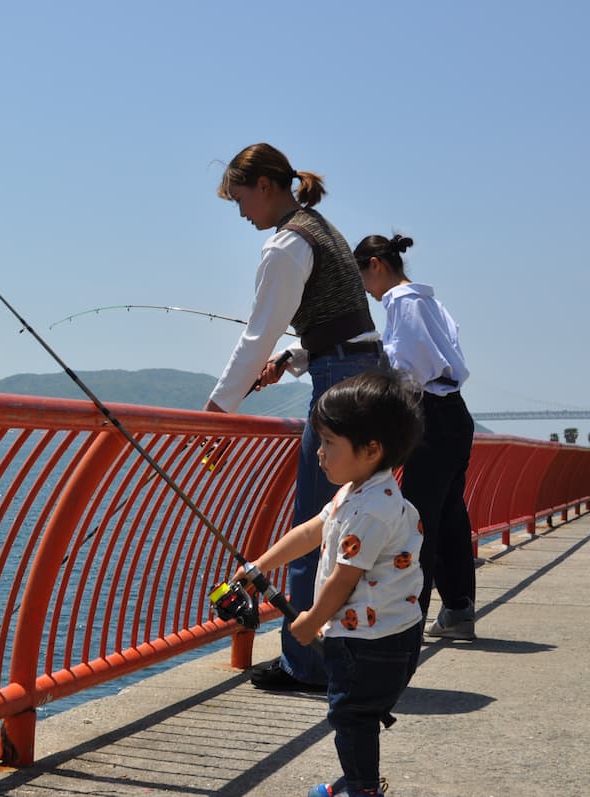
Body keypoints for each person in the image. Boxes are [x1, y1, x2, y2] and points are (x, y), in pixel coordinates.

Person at [207, 143, 385, 691]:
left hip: (339, 384)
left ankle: (303, 664)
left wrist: (217, 413)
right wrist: (296, 358)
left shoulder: (285, 245)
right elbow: (345, 323)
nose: (242, 214)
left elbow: (256, 334)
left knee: (314, 522)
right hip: (364, 372)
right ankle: (347, 649)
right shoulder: (320, 228)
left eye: (240, 199)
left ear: (264, 185)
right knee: (348, 517)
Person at [234, 370, 425, 797]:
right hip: (383, 633)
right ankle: (359, 780)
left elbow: (344, 578)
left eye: (329, 444)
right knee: (359, 712)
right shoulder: (358, 492)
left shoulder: (370, 509)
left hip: (371, 640)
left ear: (372, 449)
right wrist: (259, 566)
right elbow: (310, 532)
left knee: (349, 714)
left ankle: (361, 789)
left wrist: (309, 620)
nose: (319, 454)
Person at [354, 233, 476, 639]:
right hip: (455, 413)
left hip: (430, 417)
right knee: (451, 515)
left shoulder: (402, 304)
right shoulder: (430, 301)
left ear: (375, 264)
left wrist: (375, 362)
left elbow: (409, 369)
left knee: (420, 519)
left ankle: (408, 621)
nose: (367, 292)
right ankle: (457, 611)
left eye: (363, 279)